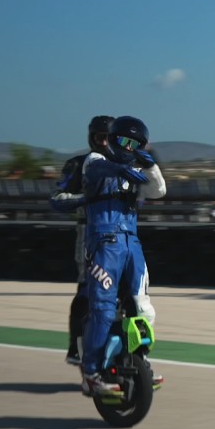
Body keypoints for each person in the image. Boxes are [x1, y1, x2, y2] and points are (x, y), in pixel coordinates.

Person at [79, 115, 167, 396]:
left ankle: (139, 360)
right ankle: (91, 374)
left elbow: (159, 191)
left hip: (132, 243)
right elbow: (98, 171)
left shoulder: (138, 169)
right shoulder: (95, 160)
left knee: (144, 309)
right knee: (103, 310)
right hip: (103, 244)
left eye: (135, 144)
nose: (128, 147)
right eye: (123, 141)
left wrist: (150, 166)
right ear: (112, 139)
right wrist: (123, 169)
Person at [49, 115, 116, 367]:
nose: (105, 143)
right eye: (101, 138)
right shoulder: (78, 164)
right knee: (87, 288)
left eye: (110, 138)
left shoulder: (124, 165)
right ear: (91, 138)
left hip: (121, 235)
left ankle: (135, 355)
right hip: (89, 233)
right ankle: (74, 345)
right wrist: (86, 199)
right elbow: (57, 197)